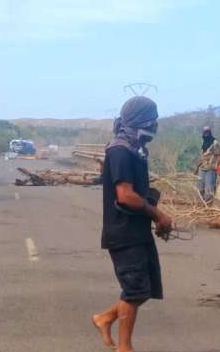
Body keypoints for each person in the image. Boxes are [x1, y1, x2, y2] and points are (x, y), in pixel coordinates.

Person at [92, 96, 173, 352]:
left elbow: (138, 192)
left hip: (137, 231)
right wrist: (157, 215)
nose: (156, 123)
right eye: (153, 117)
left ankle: (105, 318)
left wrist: (154, 212)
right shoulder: (120, 150)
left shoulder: (136, 148)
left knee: (143, 288)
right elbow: (125, 195)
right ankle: (124, 348)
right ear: (141, 119)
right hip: (123, 233)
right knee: (135, 289)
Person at [197, 126, 220, 202]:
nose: (206, 133)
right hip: (202, 168)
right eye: (204, 131)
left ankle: (207, 207)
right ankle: (201, 204)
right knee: (200, 188)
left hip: (211, 169)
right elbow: (201, 155)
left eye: (207, 131)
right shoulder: (203, 142)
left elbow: (218, 156)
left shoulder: (215, 142)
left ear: (210, 132)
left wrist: (217, 167)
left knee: (209, 190)